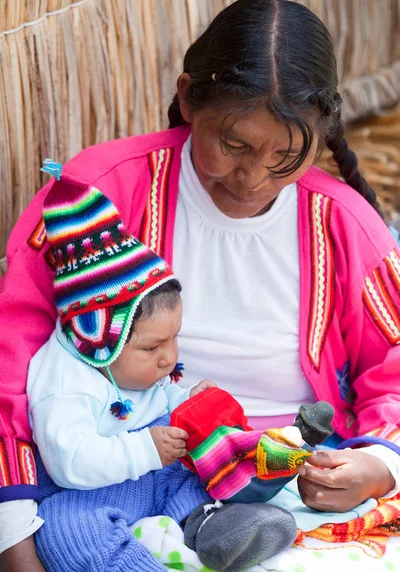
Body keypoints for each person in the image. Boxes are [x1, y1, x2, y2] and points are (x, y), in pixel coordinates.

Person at [1, 0, 400, 572]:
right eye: (233, 145)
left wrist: (380, 462)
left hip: (282, 485)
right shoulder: (96, 197)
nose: (255, 177)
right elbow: (13, 356)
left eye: (287, 156)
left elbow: (392, 368)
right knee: (75, 542)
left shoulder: (346, 226)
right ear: (189, 97)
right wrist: (13, 525)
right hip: (114, 467)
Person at [26, 173, 297, 572]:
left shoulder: (139, 365)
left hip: (155, 469)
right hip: (88, 491)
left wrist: (189, 400)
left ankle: (218, 527)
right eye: (152, 348)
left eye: (174, 340)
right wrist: (145, 449)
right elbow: (71, 461)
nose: (169, 358)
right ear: (97, 338)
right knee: (67, 533)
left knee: (198, 469)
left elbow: (158, 397)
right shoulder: (64, 383)